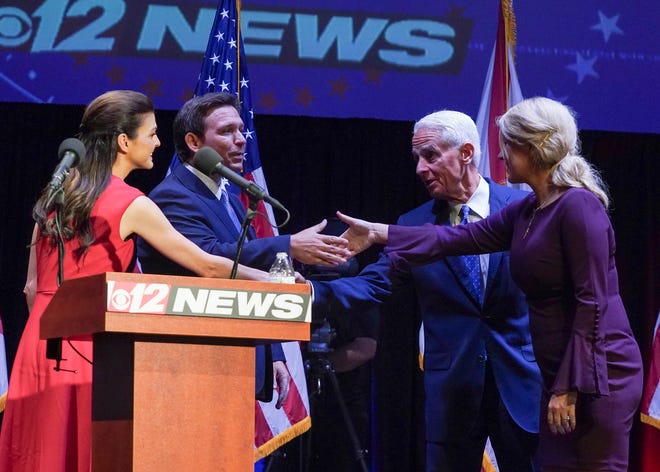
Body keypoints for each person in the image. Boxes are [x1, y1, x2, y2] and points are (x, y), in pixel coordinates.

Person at [339, 97, 643, 472]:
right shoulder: (527, 209)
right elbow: (453, 239)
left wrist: (568, 387)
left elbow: (592, 304)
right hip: (558, 376)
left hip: (596, 374)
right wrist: (378, 232)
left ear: (534, 148)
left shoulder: (579, 206)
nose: (499, 157)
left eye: (508, 146)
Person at [0, 90, 270, 471]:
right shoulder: (133, 203)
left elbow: (31, 288)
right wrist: (273, 279)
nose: (159, 142)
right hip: (92, 347)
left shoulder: (54, 194)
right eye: (152, 133)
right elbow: (207, 266)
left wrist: (50, 327)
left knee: (38, 454)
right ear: (125, 142)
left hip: (38, 344)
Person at [311, 111, 542, 471]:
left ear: (466, 153)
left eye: (431, 155)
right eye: (417, 158)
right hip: (452, 395)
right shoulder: (414, 224)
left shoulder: (522, 210)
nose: (420, 168)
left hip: (521, 386)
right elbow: (376, 282)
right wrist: (312, 292)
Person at [136, 92, 349, 402]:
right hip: (193, 360)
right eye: (226, 131)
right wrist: (288, 245)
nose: (241, 140)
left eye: (241, 129)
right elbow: (210, 259)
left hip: (236, 358)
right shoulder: (173, 196)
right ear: (194, 142)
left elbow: (249, 281)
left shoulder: (232, 199)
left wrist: (272, 351)